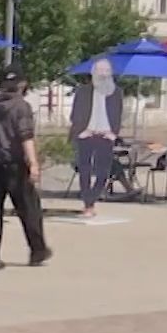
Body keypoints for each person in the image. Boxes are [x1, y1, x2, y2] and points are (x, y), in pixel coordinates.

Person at [0, 69, 50, 271]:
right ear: (21, 85)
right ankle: (37, 250)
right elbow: (25, 136)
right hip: (16, 163)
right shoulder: (21, 106)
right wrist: (33, 163)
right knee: (29, 209)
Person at [69, 58, 123, 218]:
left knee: (103, 173)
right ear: (93, 73)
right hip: (86, 134)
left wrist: (113, 133)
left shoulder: (116, 92)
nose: (103, 74)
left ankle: (92, 198)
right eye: (100, 70)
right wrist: (81, 130)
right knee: (84, 170)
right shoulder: (83, 91)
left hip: (106, 135)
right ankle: (88, 204)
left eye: (106, 70)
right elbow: (75, 113)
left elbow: (118, 114)